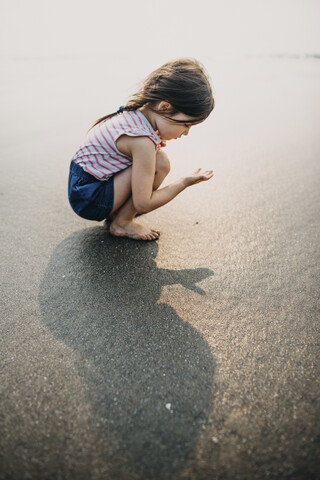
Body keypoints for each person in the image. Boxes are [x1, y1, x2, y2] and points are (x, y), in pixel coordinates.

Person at [68, 58, 215, 241]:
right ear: (164, 107)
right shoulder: (142, 141)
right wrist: (184, 182)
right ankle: (122, 222)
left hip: (82, 187)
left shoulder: (133, 114)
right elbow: (144, 204)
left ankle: (118, 215)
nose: (185, 133)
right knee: (161, 163)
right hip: (90, 200)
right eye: (186, 125)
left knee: (156, 158)